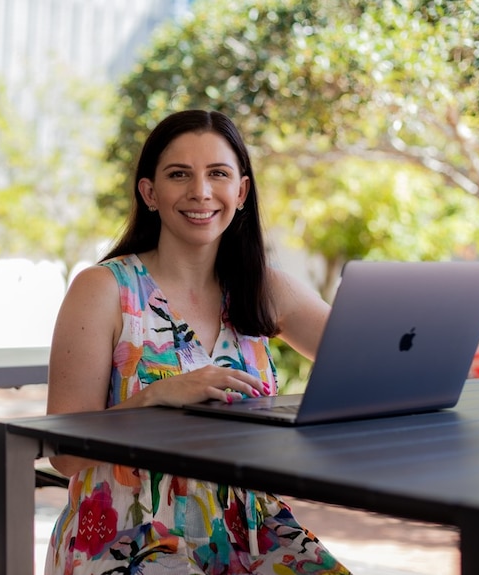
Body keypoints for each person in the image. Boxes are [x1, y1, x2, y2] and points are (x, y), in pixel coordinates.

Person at [44, 109, 350, 574]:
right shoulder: (104, 288)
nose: (201, 192)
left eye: (218, 174)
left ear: (241, 191)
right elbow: (64, 455)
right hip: (128, 539)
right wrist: (154, 399)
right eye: (179, 174)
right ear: (150, 192)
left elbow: (364, 360)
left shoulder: (264, 288)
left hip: (249, 531)